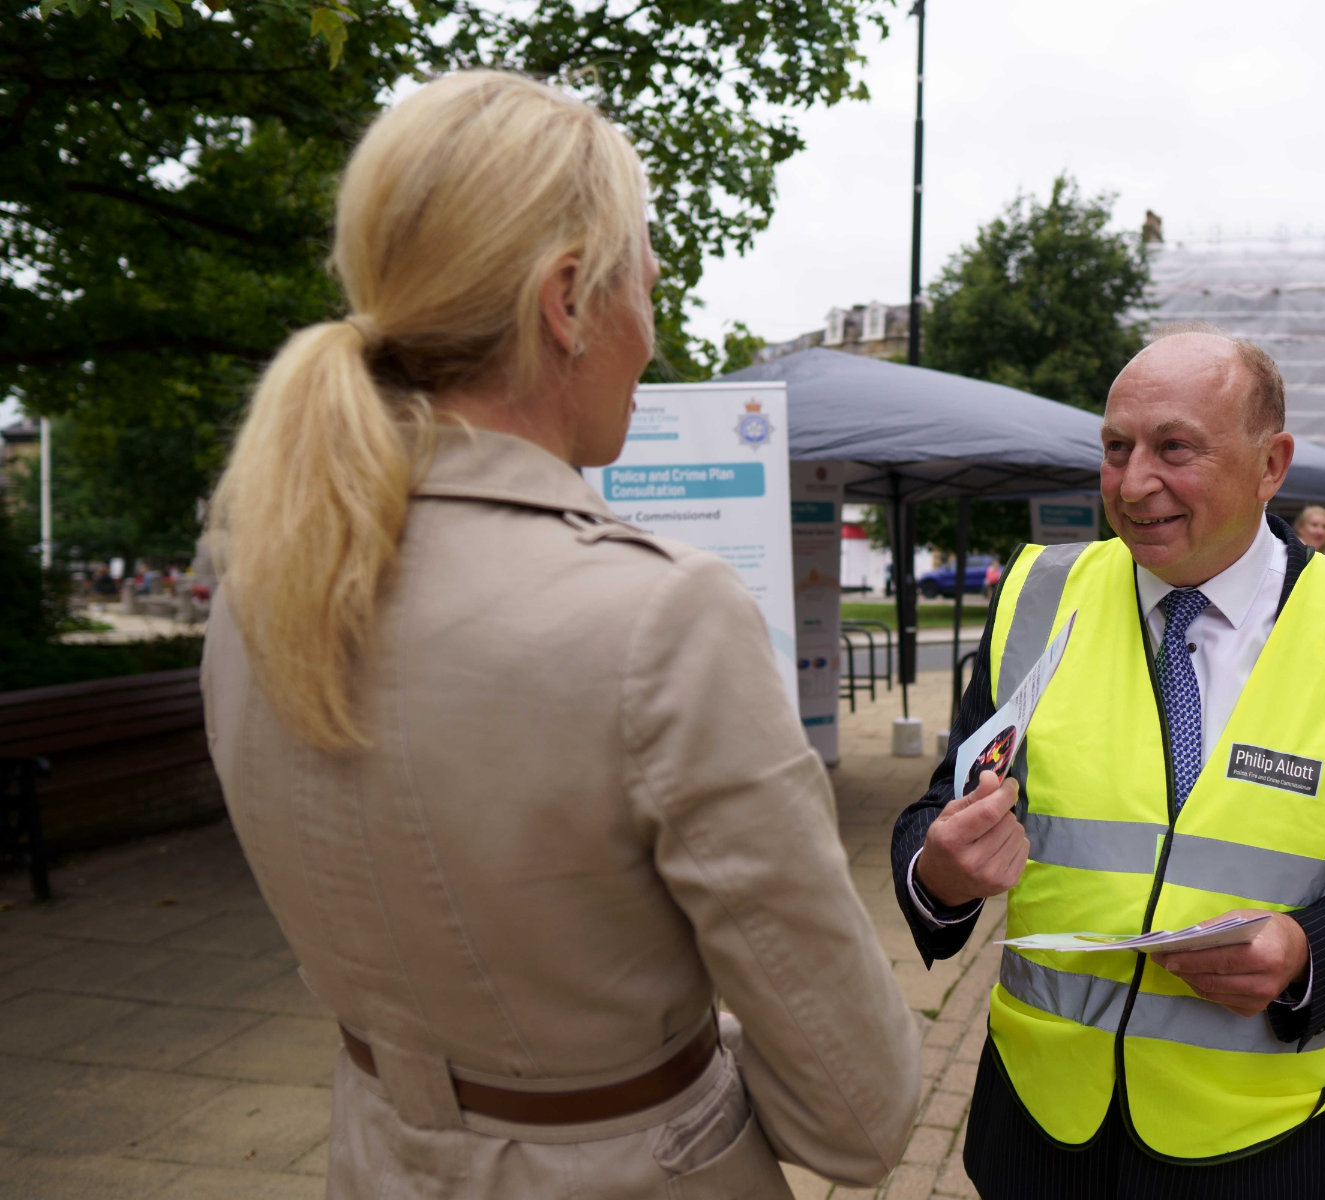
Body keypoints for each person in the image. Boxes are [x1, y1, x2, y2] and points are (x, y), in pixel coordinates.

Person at [202, 71, 918, 1200]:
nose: (657, 306)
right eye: (645, 269)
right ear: (569, 300)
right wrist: (696, 1067)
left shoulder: (262, 592)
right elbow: (861, 1113)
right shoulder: (659, 615)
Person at [890, 331, 1325, 1198]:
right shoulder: (1040, 594)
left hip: (1257, 1144)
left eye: (1174, 447)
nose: (1133, 483)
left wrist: (1308, 952)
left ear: (1271, 465)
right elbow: (945, 802)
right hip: (1039, 1132)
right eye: (1116, 448)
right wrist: (939, 869)